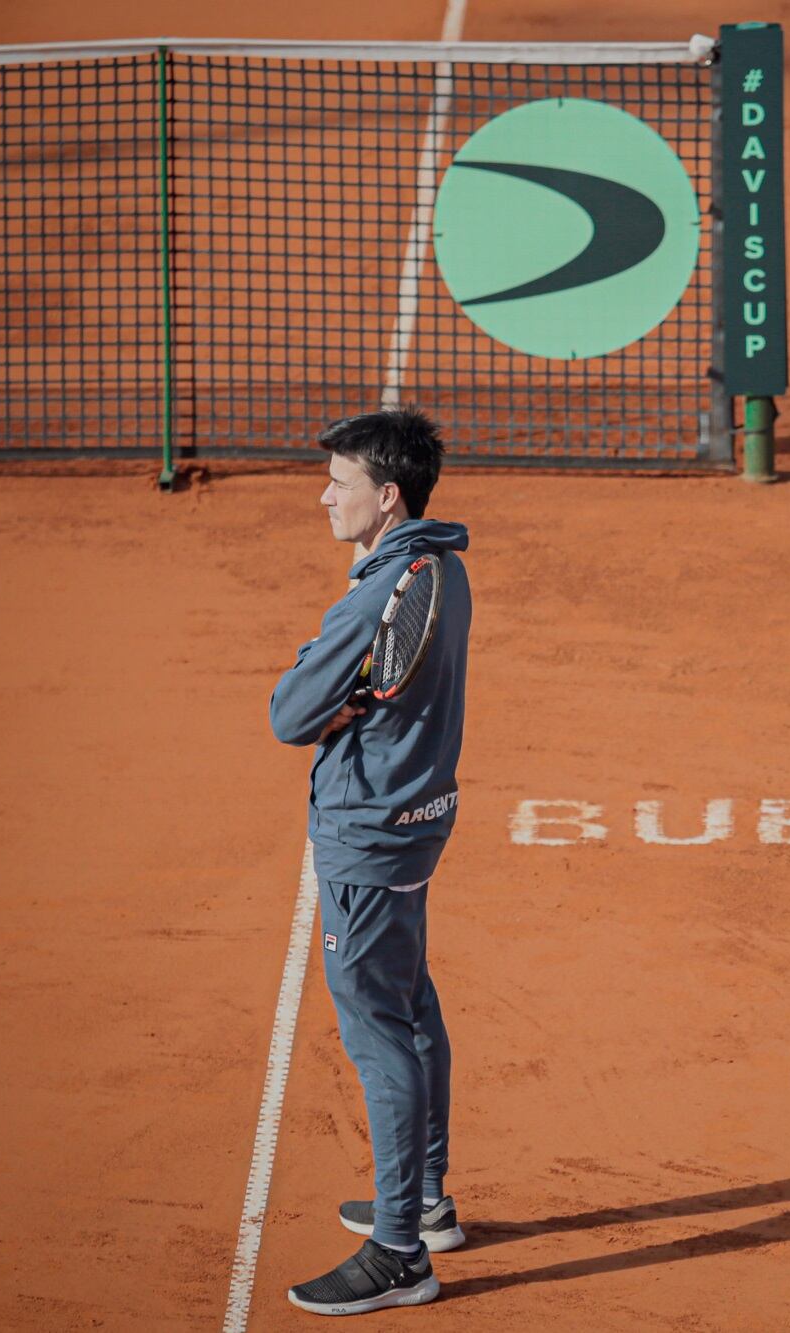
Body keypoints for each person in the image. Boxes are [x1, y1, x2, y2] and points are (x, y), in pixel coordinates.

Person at [268, 407, 473, 1316]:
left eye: (339, 483)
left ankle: (399, 1253)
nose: (325, 495)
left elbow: (287, 712)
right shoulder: (443, 565)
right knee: (412, 1000)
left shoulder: (372, 595)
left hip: (368, 833)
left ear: (386, 497)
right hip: (419, 819)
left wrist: (333, 694)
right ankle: (425, 1201)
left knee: (379, 1032)